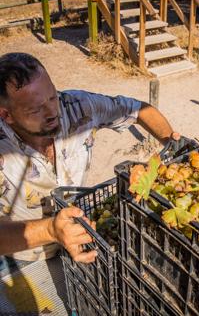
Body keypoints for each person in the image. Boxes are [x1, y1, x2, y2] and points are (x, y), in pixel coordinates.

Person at [0, 52, 179, 265]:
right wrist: (50, 229)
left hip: (83, 236)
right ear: (6, 115)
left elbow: (140, 110)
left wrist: (172, 147)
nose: (52, 112)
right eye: (35, 109)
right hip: (26, 259)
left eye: (52, 97)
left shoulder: (78, 106)